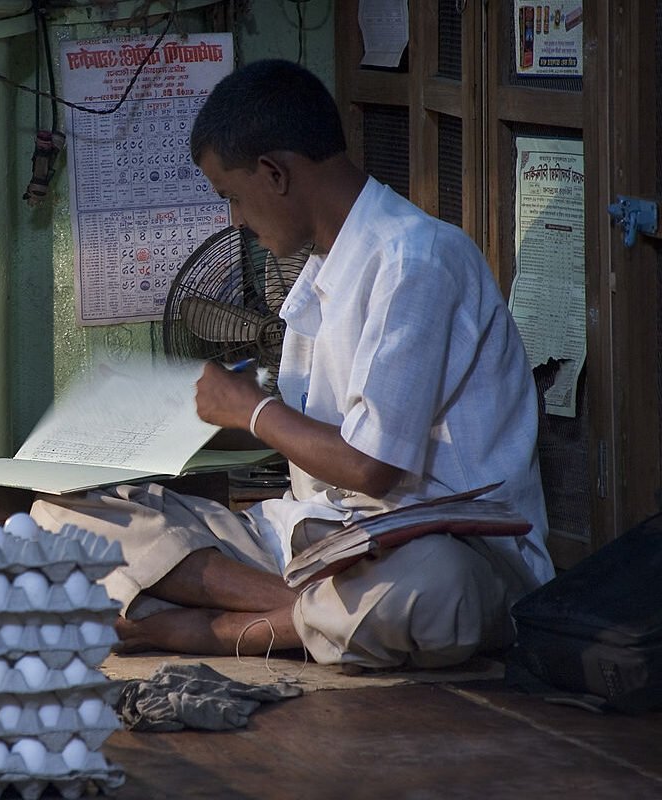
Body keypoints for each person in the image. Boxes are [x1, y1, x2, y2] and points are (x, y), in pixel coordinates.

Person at [30, 59, 555, 669]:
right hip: (313, 541)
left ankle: (225, 632)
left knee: (428, 585)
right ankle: (301, 614)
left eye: (231, 197)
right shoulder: (317, 276)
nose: (236, 223)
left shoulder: (417, 260)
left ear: (275, 173)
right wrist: (168, 422)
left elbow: (372, 466)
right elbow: (306, 438)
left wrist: (252, 409)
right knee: (59, 513)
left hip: (433, 547)